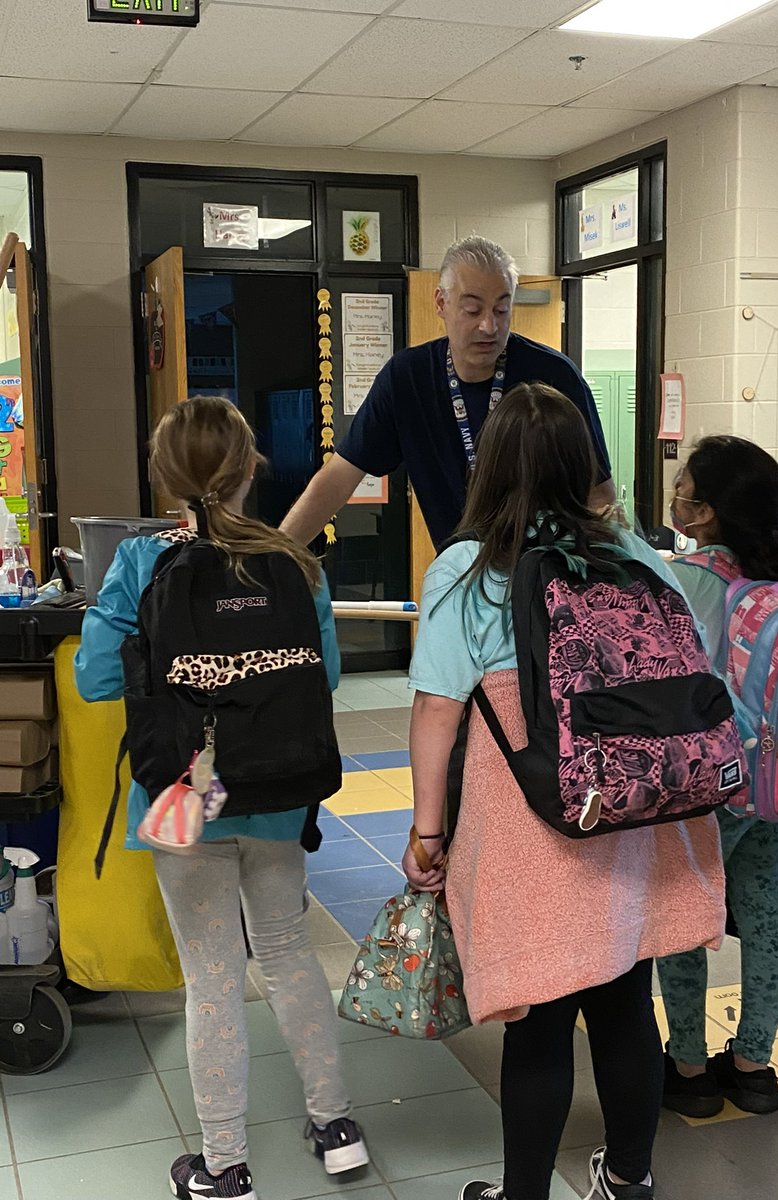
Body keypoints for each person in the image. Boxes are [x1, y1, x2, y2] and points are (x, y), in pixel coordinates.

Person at [401, 383, 726, 1200]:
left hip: (531, 821)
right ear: (585, 462)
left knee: (539, 1020)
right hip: (632, 808)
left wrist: (428, 833)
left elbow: (438, 713)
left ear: (492, 468)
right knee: (624, 1006)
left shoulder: (466, 568)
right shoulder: (637, 555)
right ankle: (628, 1178)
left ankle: (523, 1197)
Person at [74, 397, 368, 1200]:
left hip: (187, 790)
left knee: (211, 976)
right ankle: (336, 1125)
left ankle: (224, 1163)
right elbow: (328, 675)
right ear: (248, 470)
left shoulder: (142, 562)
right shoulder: (295, 559)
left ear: (167, 476)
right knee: (285, 951)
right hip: (277, 783)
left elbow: (94, 677)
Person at [657, 434, 778, 1119]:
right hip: (777, 780)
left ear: (707, 512)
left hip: (712, 783)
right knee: (764, 919)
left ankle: (690, 1066)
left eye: (687, 487)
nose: (677, 496)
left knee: (682, 919)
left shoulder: (689, 580)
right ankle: (754, 1066)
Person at [280, 236, 615, 551]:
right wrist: (275, 557)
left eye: (501, 310)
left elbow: (600, 496)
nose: (489, 326)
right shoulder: (407, 379)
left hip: (546, 575)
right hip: (464, 573)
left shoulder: (555, 377)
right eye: (472, 310)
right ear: (441, 303)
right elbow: (338, 479)